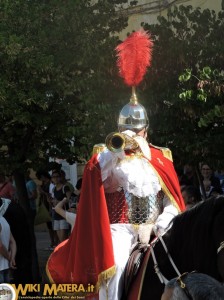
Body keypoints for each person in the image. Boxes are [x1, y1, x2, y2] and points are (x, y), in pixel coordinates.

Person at [46, 30, 185, 300]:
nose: (135, 135)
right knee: (117, 268)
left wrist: (163, 223)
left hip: (157, 229)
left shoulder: (161, 156)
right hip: (119, 231)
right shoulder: (105, 155)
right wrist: (118, 151)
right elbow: (95, 180)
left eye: (138, 131)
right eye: (128, 130)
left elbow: (173, 202)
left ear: (146, 129)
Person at [36, 170, 56, 250]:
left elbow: (50, 195)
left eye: (41, 177)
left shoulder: (51, 184)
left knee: (52, 225)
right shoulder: (43, 184)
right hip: (45, 205)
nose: (41, 179)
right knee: (49, 226)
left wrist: (42, 191)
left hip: (49, 205)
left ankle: (55, 242)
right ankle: (52, 242)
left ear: (44, 176)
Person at [51, 170, 72, 242]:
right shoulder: (53, 189)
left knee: (64, 239)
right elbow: (54, 200)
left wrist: (59, 202)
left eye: (57, 176)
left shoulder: (65, 187)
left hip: (63, 214)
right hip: (56, 215)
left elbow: (69, 199)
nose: (55, 178)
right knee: (60, 241)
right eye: (53, 177)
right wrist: (52, 201)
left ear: (60, 177)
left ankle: (67, 253)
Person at [0, 198, 17, 283]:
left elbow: (0, 246)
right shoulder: (3, 220)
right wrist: (12, 258)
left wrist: (9, 257)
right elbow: (12, 242)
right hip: (6, 267)